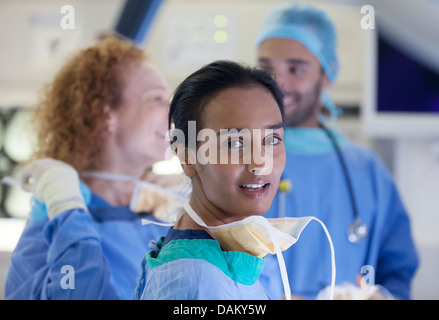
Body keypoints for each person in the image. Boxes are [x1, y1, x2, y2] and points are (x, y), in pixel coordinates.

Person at [255, 2, 418, 300]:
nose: (277, 82)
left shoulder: (365, 169)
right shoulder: (242, 162)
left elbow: (397, 268)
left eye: (295, 68)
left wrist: (380, 295)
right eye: (266, 68)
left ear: (327, 74)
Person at [5, 36, 175, 299]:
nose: (174, 114)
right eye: (157, 98)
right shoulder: (52, 221)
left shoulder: (160, 219)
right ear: (107, 114)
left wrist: (208, 209)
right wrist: (68, 213)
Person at [133, 60, 289, 300]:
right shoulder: (197, 280)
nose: (261, 163)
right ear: (187, 157)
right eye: (234, 143)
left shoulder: (214, 257)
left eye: (272, 139)